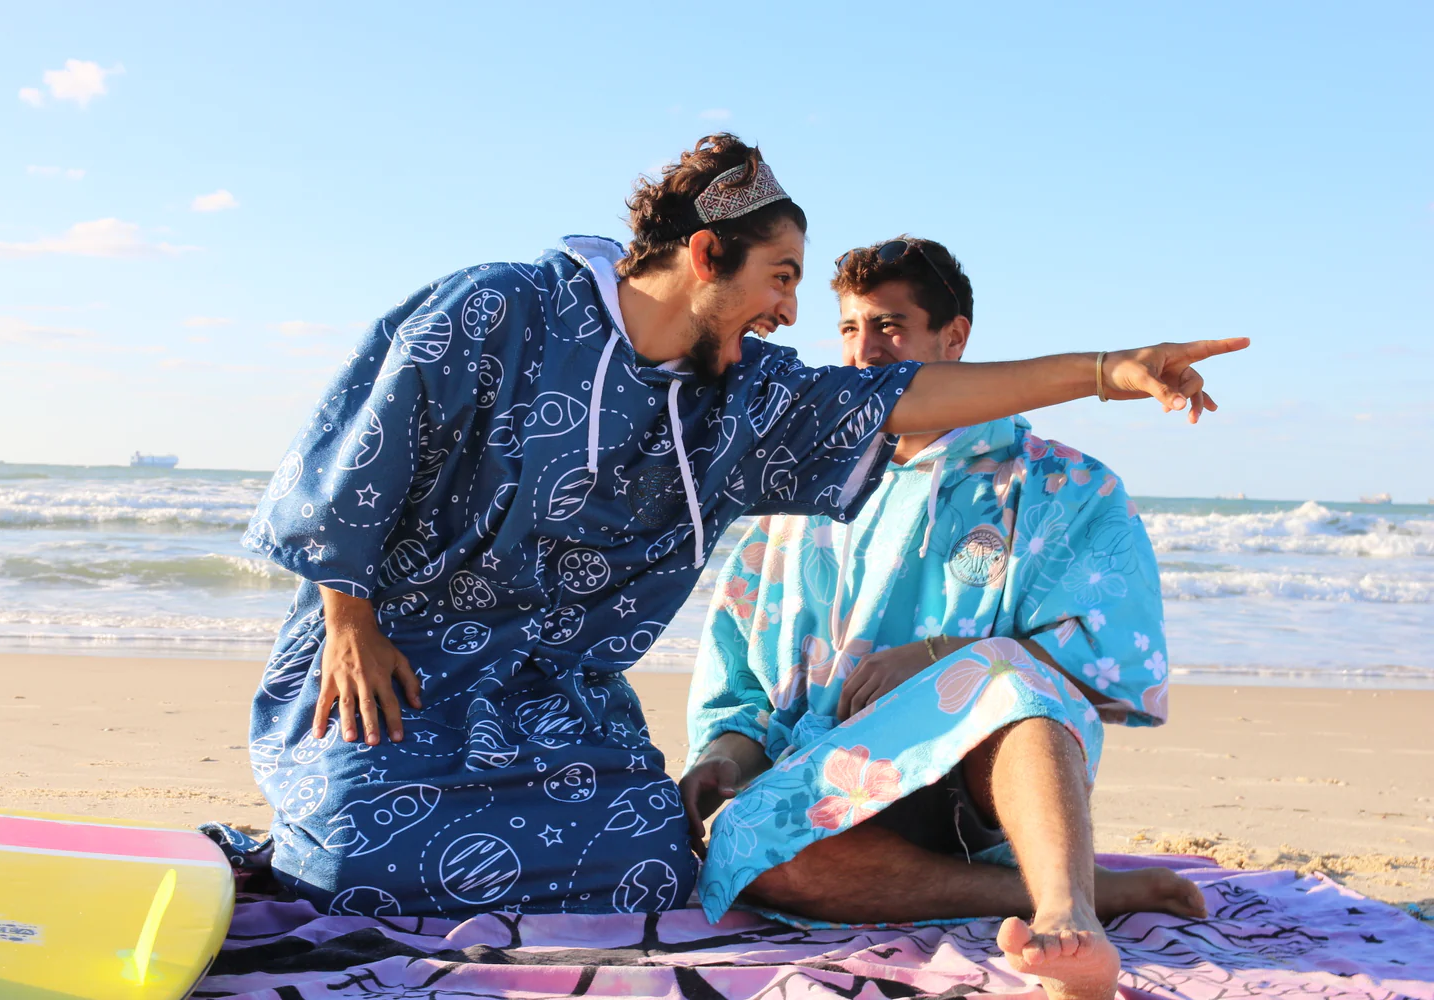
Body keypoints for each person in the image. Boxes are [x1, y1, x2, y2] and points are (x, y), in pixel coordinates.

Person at [242, 134, 1245, 922]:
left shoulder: (747, 397)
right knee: (346, 859)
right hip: (393, 660)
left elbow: (906, 398)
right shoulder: (501, 307)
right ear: (705, 254)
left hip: (553, 690)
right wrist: (346, 617)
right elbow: (363, 449)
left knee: (647, 863)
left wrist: (1108, 371)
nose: (790, 311)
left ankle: (1054, 896)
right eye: (781, 276)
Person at [682, 236, 1208, 1000]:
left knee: (1010, 685)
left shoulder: (1063, 485)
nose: (864, 351)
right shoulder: (798, 496)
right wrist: (725, 758)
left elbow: (1111, 660)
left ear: (953, 337)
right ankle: (1089, 895)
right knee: (747, 852)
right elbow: (745, 686)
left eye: (889, 326)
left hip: (993, 789)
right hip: (843, 791)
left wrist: (943, 657)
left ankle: (1069, 916)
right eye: (851, 327)